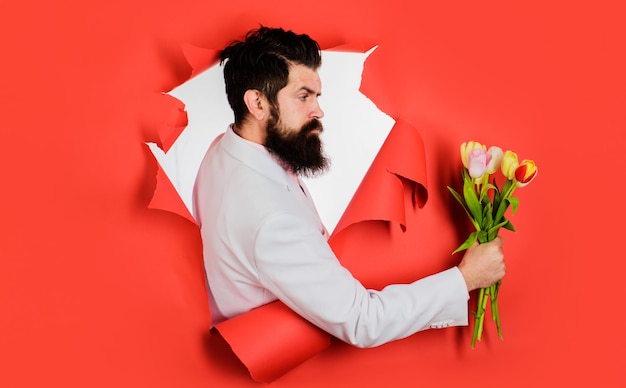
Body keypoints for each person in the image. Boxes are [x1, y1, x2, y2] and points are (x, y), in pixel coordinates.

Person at [192, 26, 505, 348]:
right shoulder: (271, 220)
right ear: (257, 103)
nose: (318, 110)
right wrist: (466, 278)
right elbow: (362, 321)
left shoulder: (225, 149)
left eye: (316, 96)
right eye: (303, 96)